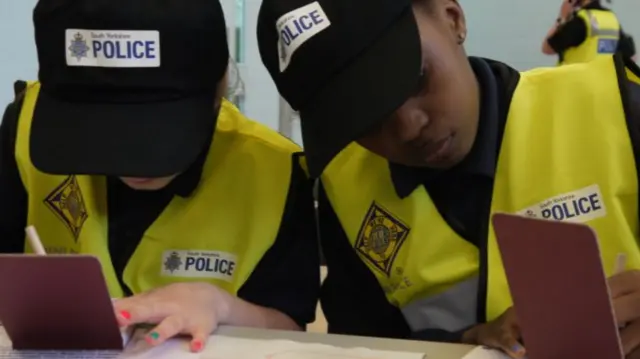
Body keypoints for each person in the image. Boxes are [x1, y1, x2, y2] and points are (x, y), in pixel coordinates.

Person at [257, 0, 640, 357]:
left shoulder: (618, 111)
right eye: (364, 118)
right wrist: (466, 340)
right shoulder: (347, 191)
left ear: (452, 18)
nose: (409, 127)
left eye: (417, 78)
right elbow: (367, 343)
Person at [0, 0, 320, 352]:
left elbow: (290, 329)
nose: (131, 164)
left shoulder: (273, 171)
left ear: (221, 84)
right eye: (97, 130)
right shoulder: (24, 130)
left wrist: (221, 305)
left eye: (157, 131)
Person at [542, 0, 636, 64]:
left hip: (577, 88)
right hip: (603, 89)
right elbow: (631, 57)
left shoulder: (580, 21)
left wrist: (562, 18)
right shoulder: (611, 19)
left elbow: (547, 48)